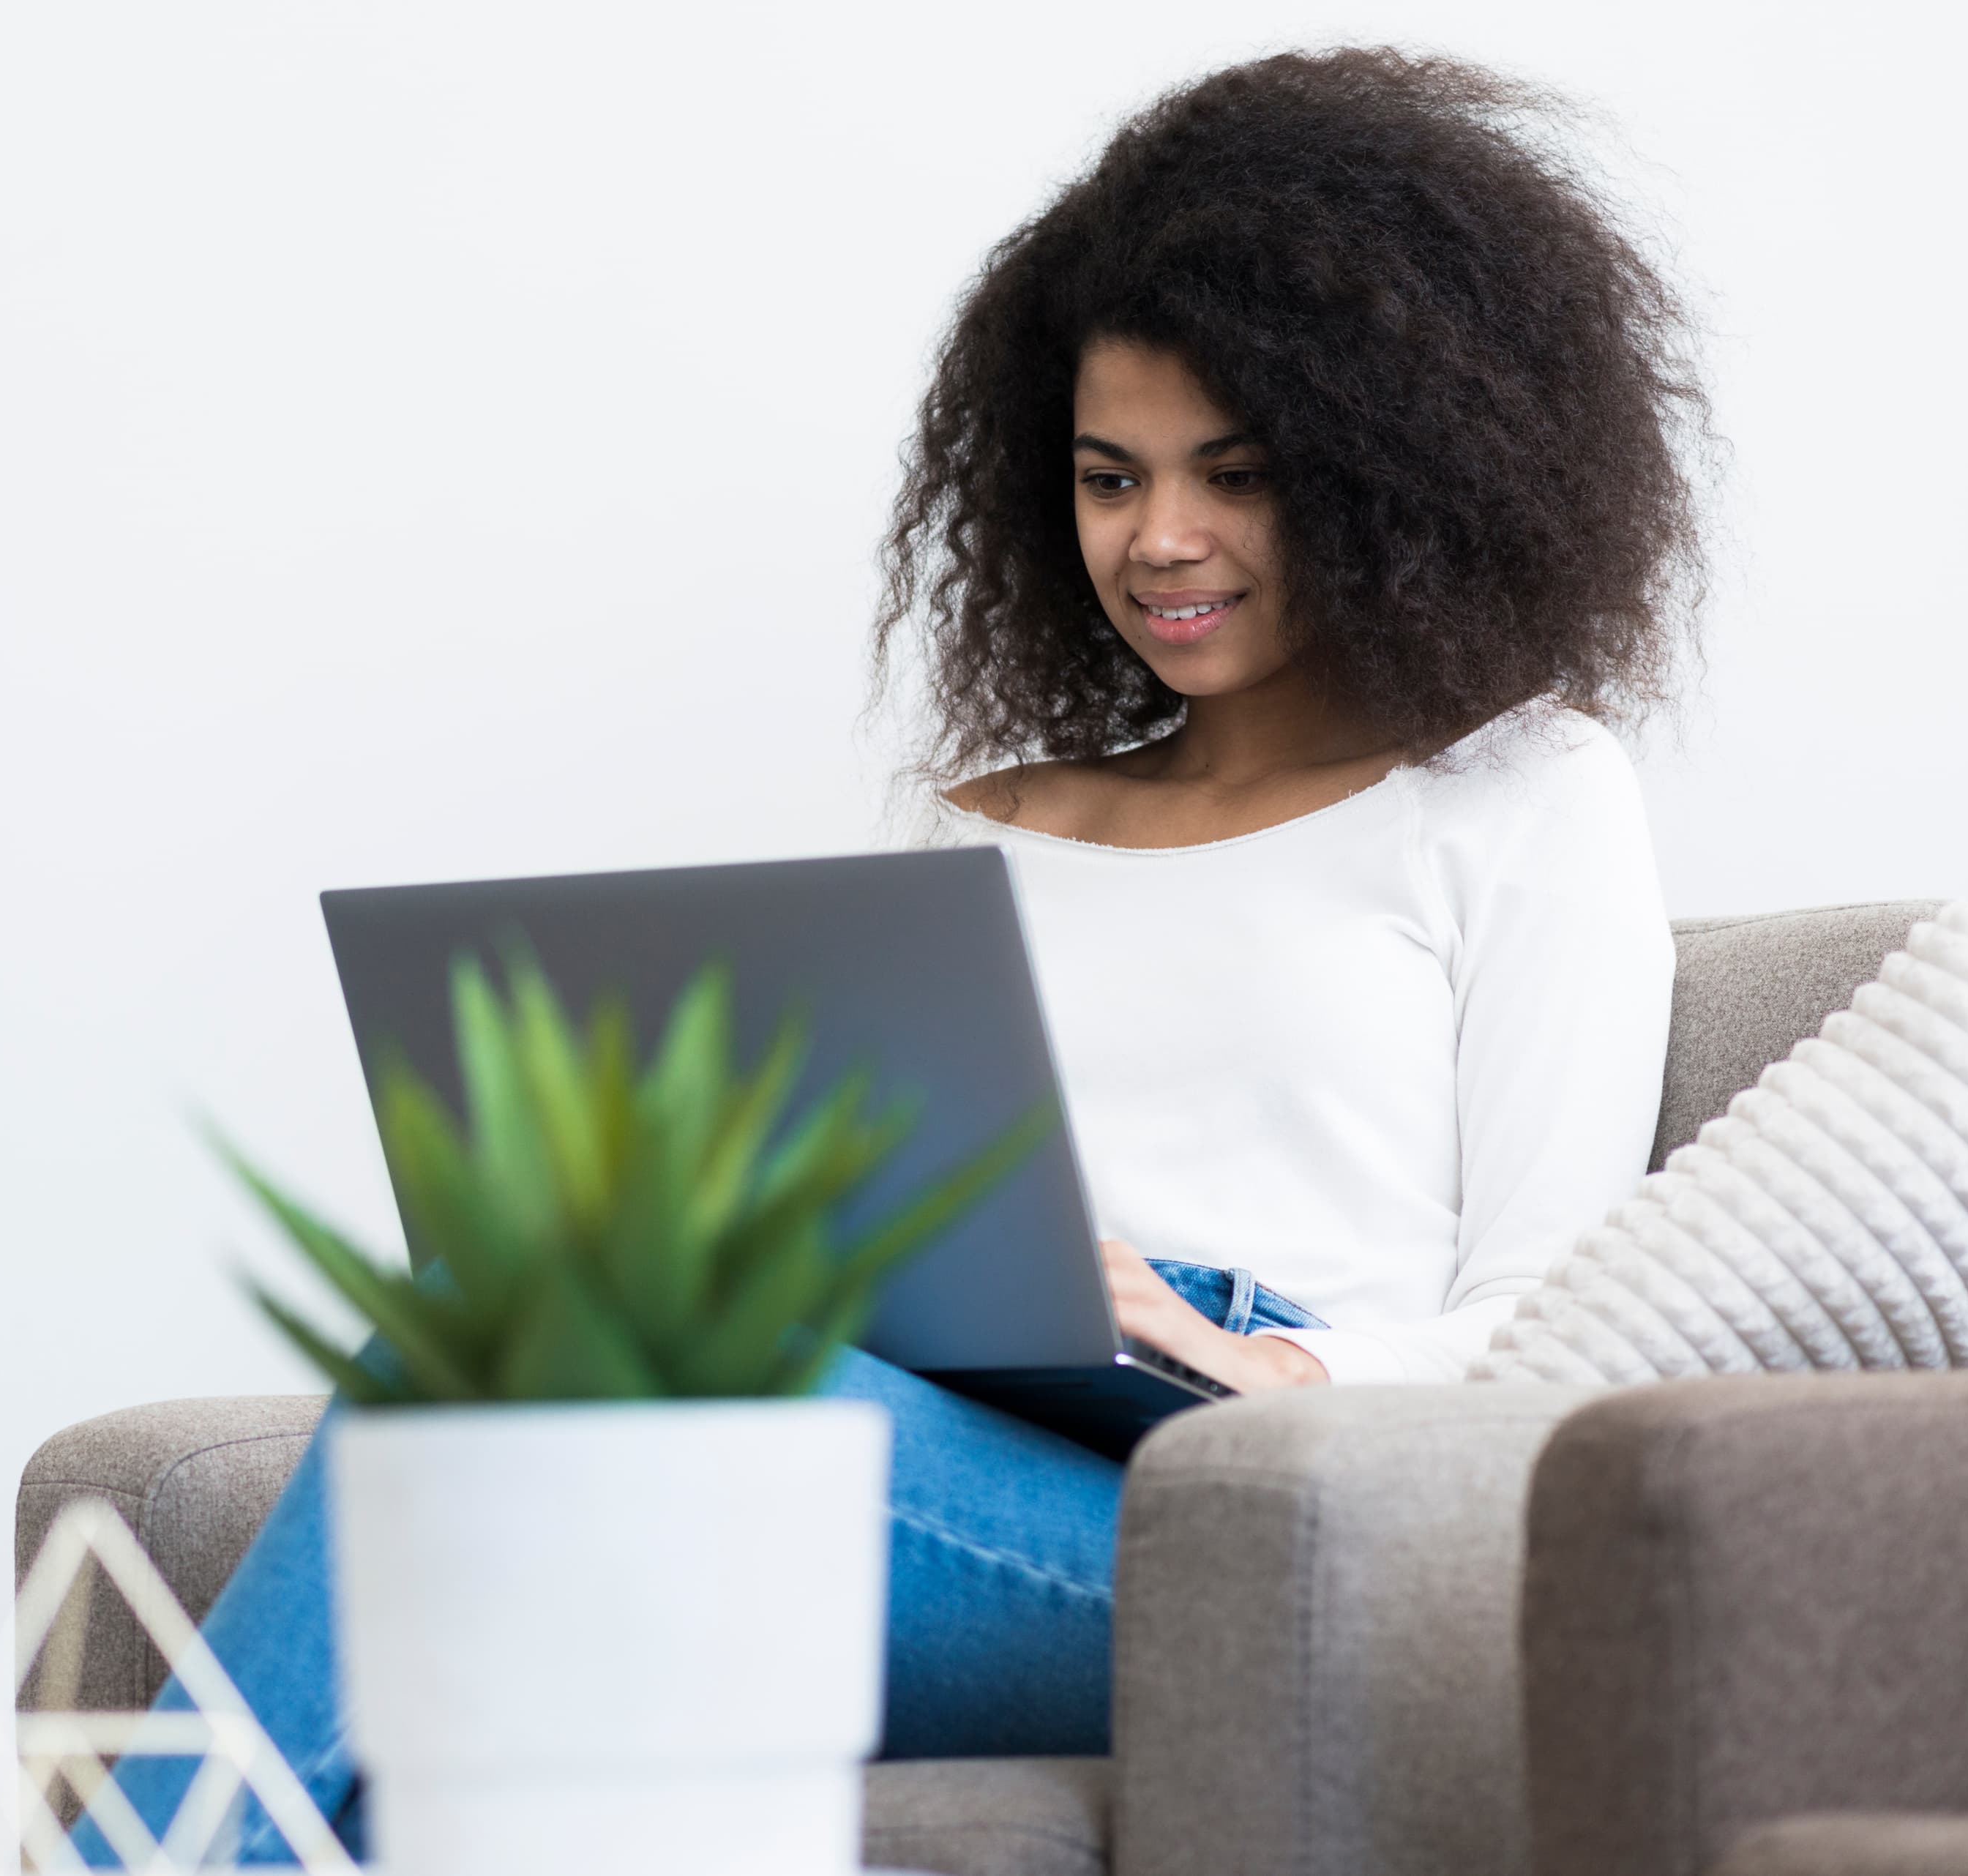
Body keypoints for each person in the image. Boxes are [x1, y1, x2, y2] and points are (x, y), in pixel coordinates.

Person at [86, 44, 1702, 1861]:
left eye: (1233, 473)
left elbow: (1560, 1328)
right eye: (1108, 477)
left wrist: (1257, 1362)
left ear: (1394, 468)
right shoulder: (989, 828)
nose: (1160, 539)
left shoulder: (1526, 796)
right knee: (487, 1487)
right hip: (942, 1428)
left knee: (541, 1372)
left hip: (1253, 1520)